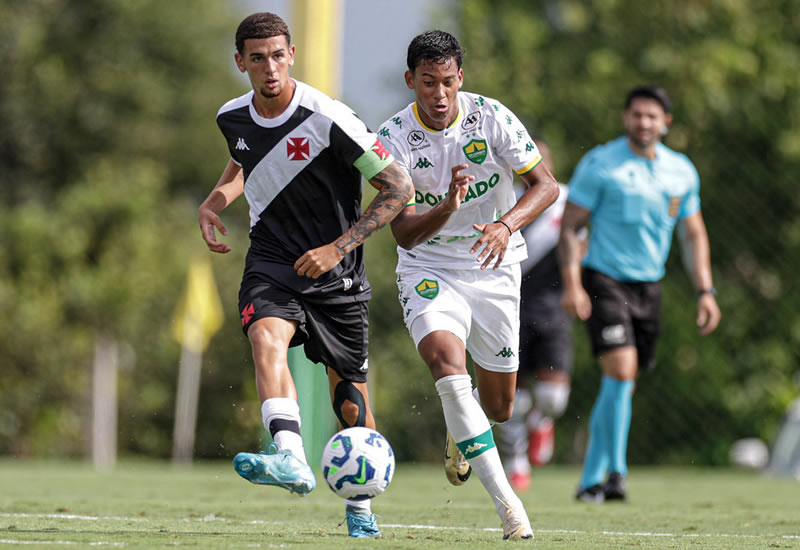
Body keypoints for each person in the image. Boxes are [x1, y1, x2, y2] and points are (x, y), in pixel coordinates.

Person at [197, 13, 413, 538]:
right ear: (240, 62)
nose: (268, 67)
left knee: (351, 399)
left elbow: (398, 187)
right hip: (271, 260)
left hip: (337, 273)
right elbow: (246, 160)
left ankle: (360, 507)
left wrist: (337, 248)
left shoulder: (329, 117)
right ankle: (290, 457)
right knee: (265, 337)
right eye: (256, 58)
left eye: (277, 55)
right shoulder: (232, 117)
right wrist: (213, 203)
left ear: (291, 53)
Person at [378, 31, 559, 540]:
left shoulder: (491, 117)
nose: (439, 95)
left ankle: (464, 435)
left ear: (462, 79)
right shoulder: (390, 139)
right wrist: (447, 208)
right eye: (428, 83)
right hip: (429, 268)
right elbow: (404, 231)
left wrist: (505, 225)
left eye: (448, 82)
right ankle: (510, 510)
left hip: (494, 263)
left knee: (499, 407)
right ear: (410, 80)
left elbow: (545, 186)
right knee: (445, 365)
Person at [558, 85, 722, 502]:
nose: (643, 123)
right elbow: (570, 228)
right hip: (604, 278)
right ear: (625, 118)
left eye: (652, 116)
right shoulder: (601, 164)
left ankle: (590, 479)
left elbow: (693, 233)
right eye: (636, 115)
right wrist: (573, 283)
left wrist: (705, 290)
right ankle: (617, 473)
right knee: (621, 371)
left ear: (666, 123)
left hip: (649, 285)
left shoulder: (681, 171)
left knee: (622, 384)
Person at [494, 139, 577, 492]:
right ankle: (516, 460)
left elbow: (582, 242)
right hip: (508, 304)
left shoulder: (567, 200)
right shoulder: (501, 199)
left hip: (553, 305)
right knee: (512, 393)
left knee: (551, 398)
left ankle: (542, 422)